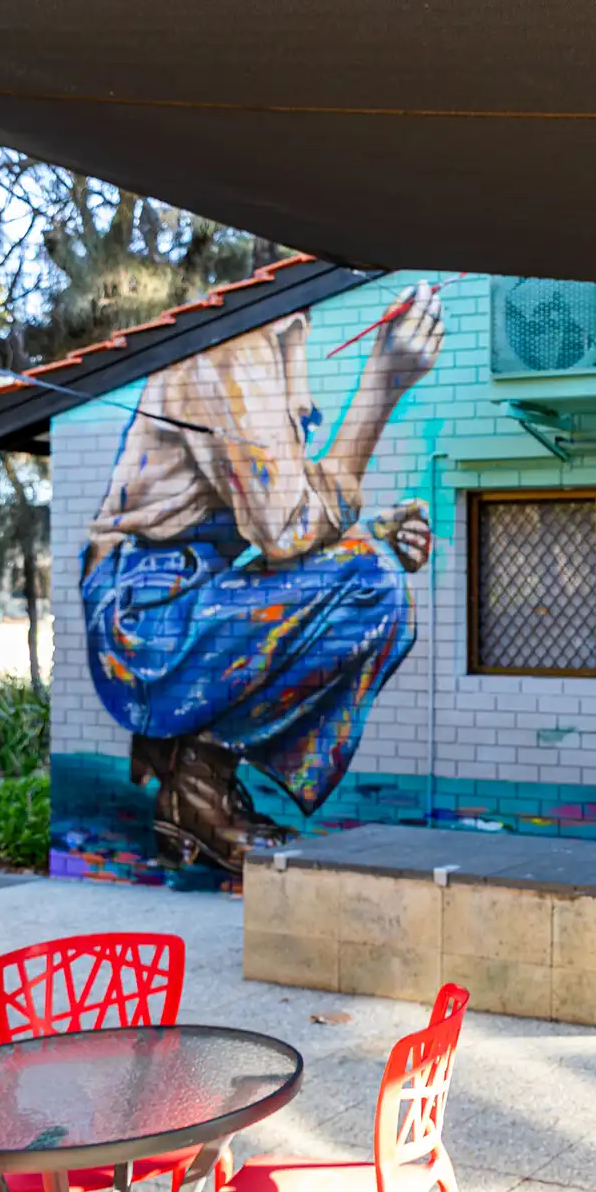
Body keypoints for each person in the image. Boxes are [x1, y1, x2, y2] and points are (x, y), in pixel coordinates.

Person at [80, 283, 444, 874]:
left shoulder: (279, 335)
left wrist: (364, 531)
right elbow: (288, 529)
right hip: (141, 621)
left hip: (171, 595)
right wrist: (381, 384)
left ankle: (190, 766)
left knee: (366, 568)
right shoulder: (235, 346)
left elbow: (278, 520)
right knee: (372, 584)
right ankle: (198, 782)